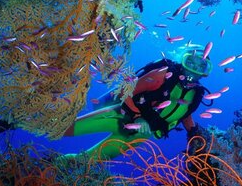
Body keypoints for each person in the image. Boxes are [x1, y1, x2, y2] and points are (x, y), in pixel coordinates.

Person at [63, 45, 212, 160]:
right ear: (182, 61)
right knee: (65, 129)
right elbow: (126, 92)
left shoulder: (195, 94)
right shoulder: (163, 75)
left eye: (202, 66)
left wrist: (194, 133)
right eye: (190, 62)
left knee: (88, 159)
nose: (195, 69)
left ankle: (59, 163)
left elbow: (183, 114)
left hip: (142, 134)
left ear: (206, 72)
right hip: (121, 116)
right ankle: (45, 124)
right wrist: (138, 117)